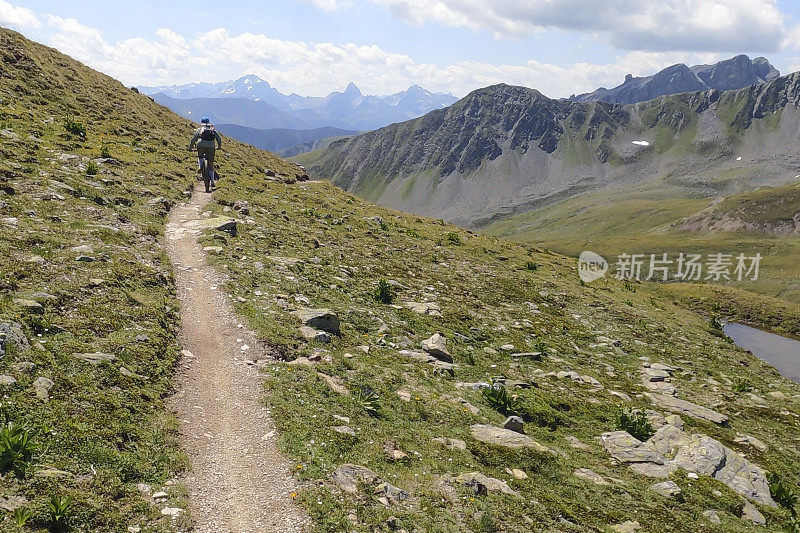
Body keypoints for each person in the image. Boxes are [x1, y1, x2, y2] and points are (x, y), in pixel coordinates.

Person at [188, 117, 222, 188]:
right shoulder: (212, 129)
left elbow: (194, 139)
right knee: (211, 163)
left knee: (200, 156)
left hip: (200, 145)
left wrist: (190, 148)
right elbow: (218, 138)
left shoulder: (200, 129)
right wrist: (219, 147)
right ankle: (212, 181)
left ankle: (200, 167)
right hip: (211, 147)